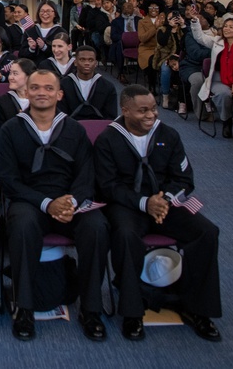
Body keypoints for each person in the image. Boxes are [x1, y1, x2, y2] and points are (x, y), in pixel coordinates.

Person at [94, 85, 222, 342]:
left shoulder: (169, 135)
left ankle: (197, 308)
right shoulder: (108, 139)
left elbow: (184, 178)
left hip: (165, 204)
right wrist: (144, 203)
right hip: (129, 205)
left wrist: (163, 200)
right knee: (126, 235)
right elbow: (108, 186)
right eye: (142, 111)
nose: (151, 115)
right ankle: (132, 311)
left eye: (153, 109)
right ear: (125, 110)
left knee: (206, 232)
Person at [1, 70, 109, 342]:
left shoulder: (74, 129)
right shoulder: (11, 129)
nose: (41, 92)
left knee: (97, 226)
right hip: (30, 200)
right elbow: (8, 180)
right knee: (23, 225)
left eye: (48, 88)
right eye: (34, 87)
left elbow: (87, 174)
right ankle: (24, 307)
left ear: (59, 94)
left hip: (70, 202)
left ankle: (91, 309)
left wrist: (71, 201)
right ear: (26, 93)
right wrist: (47, 204)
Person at [191, 13, 233, 138]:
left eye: (231, 27)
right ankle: (226, 122)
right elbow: (199, 38)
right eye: (225, 26)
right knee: (223, 94)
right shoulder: (218, 41)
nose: (226, 29)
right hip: (219, 79)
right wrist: (195, 21)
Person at [59, 46, 118, 120]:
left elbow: (110, 117)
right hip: (71, 127)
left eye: (90, 60)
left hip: (98, 128)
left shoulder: (108, 87)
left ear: (96, 63)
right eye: (82, 60)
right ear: (75, 62)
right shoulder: (63, 85)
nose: (87, 63)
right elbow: (60, 113)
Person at [137, 0, 166, 93]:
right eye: (151, 7)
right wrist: (154, 27)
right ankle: (151, 85)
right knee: (152, 60)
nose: (154, 9)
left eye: (156, 7)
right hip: (147, 49)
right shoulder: (142, 22)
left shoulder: (164, 20)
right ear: (147, 8)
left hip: (162, 48)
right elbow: (142, 38)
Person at [0, 58, 36, 125]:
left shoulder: (41, 99)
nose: (10, 77)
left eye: (15, 74)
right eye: (10, 73)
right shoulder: (3, 101)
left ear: (29, 76)